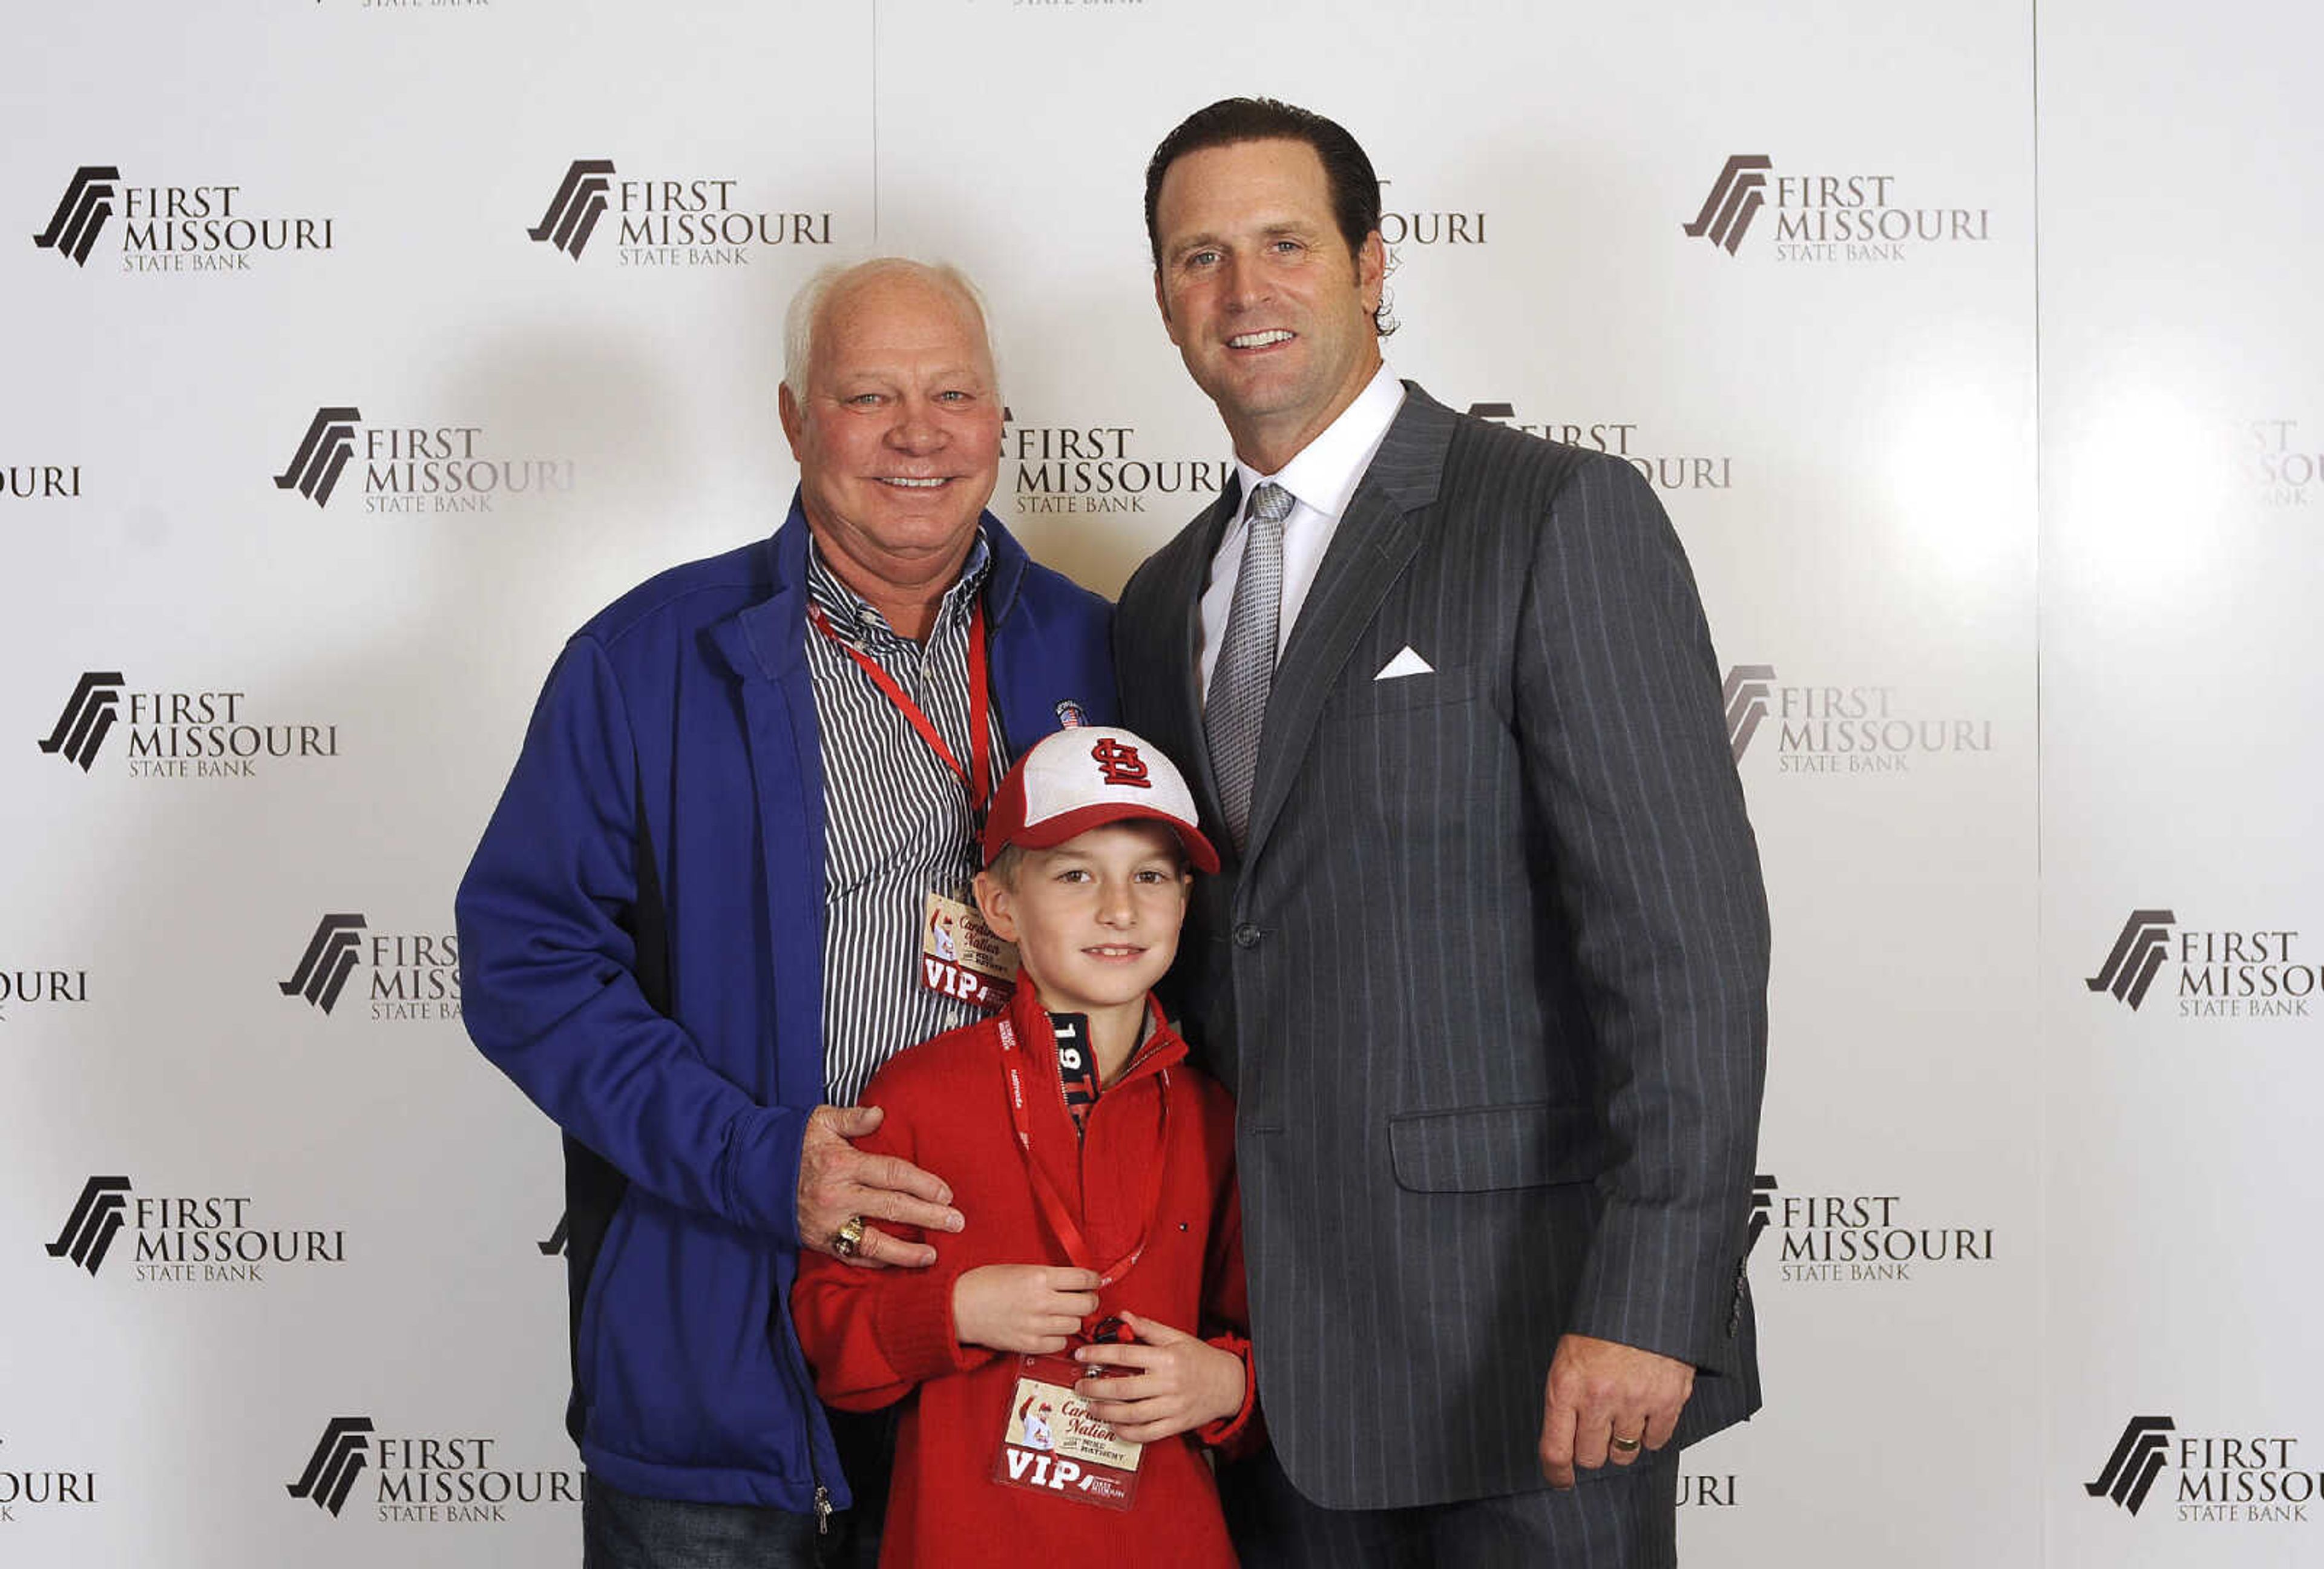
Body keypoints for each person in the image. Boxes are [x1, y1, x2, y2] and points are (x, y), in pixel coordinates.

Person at [1112, 97, 1772, 1566]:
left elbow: (1687, 950)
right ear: (1163, 298)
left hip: (1531, 1365)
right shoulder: (1165, 603)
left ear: (1372, 264)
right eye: (1198, 256)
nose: (1243, 289)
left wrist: (1649, 1303)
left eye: (1285, 242)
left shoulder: (1553, 517)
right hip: (1274, 1385)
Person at [455, 257, 1116, 1568]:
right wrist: (766, 1163)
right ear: (793, 419)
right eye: (870, 394)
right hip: (732, 1360)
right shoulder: (646, 660)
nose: (918, 432)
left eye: (954, 393)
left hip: (1026, 1360)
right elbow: (528, 962)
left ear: (1000, 419)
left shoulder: (1105, 651)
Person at [792, 725, 1254, 1568]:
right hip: (963, 1541)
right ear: (999, 906)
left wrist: (1231, 1386)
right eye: (1076, 874)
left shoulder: (1216, 1117)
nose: (1120, 909)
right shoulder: (916, 1095)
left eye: (1151, 876)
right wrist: (954, 1312)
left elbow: (1298, 1343)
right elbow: (830, 1342)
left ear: (1186, 902)